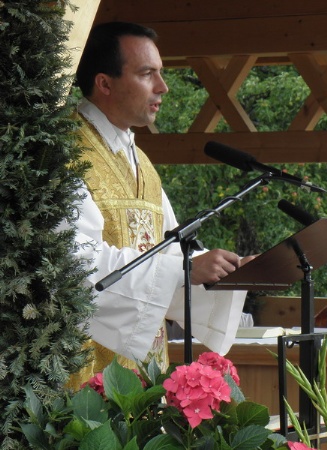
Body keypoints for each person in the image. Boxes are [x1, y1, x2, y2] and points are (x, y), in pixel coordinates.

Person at [65, 22, 250, 388]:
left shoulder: (142, 163)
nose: (162, 87)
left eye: (160, 74)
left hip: (145, 370)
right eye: (148, 74)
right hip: (85, 367)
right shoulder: (67, 154)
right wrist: (184, 270)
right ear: (104, 83)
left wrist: (229, 271)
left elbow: (173, 249)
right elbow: (75, 266)